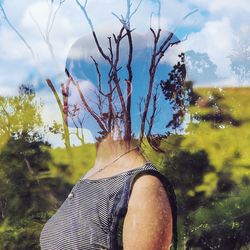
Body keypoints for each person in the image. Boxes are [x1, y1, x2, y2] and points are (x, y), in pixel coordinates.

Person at [40, 25, 181, 249]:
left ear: (118, 92)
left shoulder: (143, 188)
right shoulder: (91, 177)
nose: (64, 88)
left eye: (76, 78)